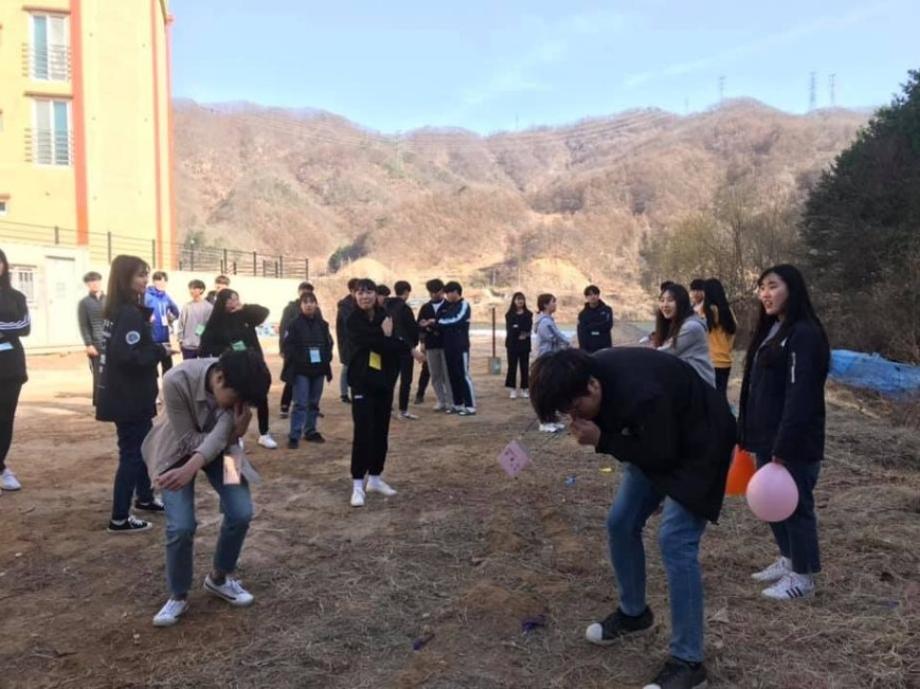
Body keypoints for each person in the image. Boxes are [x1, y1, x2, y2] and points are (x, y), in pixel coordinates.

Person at [530, 348, 736, 689]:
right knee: (621, 522)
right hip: (658, 438)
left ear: (592, 386)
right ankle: (634, 613)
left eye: (576, 408)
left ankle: (689, 662)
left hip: (702, 444)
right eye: (567, 413)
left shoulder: (643, 393)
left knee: (675, 540)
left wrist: (602, 440)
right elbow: (646, 446)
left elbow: (661, 455)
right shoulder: (591, 376)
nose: (574, 418)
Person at [142, 350, 272, 627]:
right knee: (181, 526)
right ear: (220, 378)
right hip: (174, 455)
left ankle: (219, 578)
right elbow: (188, 440)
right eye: (236, 400)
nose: (238, 406)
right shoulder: (176, 379)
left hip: (227, 452)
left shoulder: (236, 386)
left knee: (241, 511)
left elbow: (226, 435)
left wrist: (233, 433)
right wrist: (223, 437)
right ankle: (178, 594)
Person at [738, 265, 830, 602]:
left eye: (773, 286)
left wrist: (785, 444)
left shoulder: (804, 334)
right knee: (772, 505)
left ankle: (803, 579)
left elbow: (801, 394)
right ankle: (789, 559)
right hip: (767, 436)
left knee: (796, 506)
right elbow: (757, 387)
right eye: (761, 287)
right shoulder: (773, 329)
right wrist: (746, 431)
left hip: (793, 441)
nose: (765, 294)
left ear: (792, 289)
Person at [96, 255, 172, 532]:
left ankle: (145, 497)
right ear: (124, 278)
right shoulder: (128, 313)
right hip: (129, 397)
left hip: (126, 394)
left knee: (142, 447)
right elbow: (128, 356)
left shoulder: (118, 310)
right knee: (132, 454)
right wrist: (159, 350)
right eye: (140, 275)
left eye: (146, 274)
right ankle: (119, 517)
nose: (145, 280)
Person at [346, 279, 424, 507]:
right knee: (363, 433)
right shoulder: (352, 319)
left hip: (383, 383)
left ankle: (375, 478)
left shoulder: (385, 316)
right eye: (360, 293)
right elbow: (369, 342)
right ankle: (357, 484)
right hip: (362, 383)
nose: (365, 296)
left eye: (369, 292)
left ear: (376, 295)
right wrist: (385, 338)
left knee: (381, 432)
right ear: (355, 296)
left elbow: (396, 344)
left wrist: (399, 345)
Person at [199, 290, 277, 450]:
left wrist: (244, 307)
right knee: (235, 401)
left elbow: (264, 312)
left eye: (237, 299)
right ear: (224, 302)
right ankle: (236, 435)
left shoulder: (245, 315)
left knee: (261, 397)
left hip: (254, 363)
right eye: (233, 299)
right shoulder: (216, 321)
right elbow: (206, 346)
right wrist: (228, 349)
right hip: (233, 367)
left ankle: (264, 433)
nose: (236, 302)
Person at [282, 292, 333, 447]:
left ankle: (310, 431)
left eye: (312, 302)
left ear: (316, 304)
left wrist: (326, 357)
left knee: (314, 403)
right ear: (301, 305)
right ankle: (294, 435)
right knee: (300, 403)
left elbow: (329, 343)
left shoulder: (323, 324)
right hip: (301, 370)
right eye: (305, 302)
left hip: (319, 369)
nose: (309, 305)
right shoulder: (294, 324)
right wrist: (299, 358)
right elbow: (287, 346)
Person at [0, 248, 29, 494]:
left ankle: (0, 468)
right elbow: (15, 326)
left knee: (5, 418)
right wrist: (7, 328)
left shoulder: (16, 296)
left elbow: (24, 326)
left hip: (10, 366)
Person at [653, 284, 715, 389]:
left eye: (670, 300)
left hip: (700, 388)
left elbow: (664, 353)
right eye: (662, 300)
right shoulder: (673, 324)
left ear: (681, 302)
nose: (665, 305)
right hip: (686, 384)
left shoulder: (691, 327)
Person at [279, 282, 320, 418]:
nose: (308, 304)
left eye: (309, 291)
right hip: (294, 351)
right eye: (304, 291)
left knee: (311, 380)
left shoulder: (316, 310)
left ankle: (310, 407)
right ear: (299, 292)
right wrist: (283, 348)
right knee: (291, 378)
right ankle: (285, 405)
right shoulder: (290, 308)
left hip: (312, 352)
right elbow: (283, 329)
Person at [437, 281, 476, 416]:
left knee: (463, 375)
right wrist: (439, 322)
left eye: (448, 293)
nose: (446, 296)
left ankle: (470, 406)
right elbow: (440, 318)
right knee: (453, 375)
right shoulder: (449, 306)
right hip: (448, 346)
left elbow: (456, 319)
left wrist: (439, 322)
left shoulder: (464, 305)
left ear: (455, 292)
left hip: (460, 346)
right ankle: (457, 404)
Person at [385, 281, 420, 420]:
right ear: (406, 292)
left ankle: (387, 407)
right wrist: (413, 345)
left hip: (390, 348)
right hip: (405, 349)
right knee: (406, 380)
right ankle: (403, 410)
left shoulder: (387, 306)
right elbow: (410, 329)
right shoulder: (404, 308)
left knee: (390, 380)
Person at [417, 278, 453, 412]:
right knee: (435, 374)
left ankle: (451, 400)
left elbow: (450, 324)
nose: (433, 294)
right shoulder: (425, 307)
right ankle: (441, 400)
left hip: (446, 344)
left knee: (447, 374)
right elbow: (420, 325)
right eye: (430, 292)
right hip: (431, 345)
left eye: (436, 291)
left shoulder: (449, 306)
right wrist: (422, 342)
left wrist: (433, 324)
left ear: (442, 291)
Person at [702, 278, 737, 397]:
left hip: (710, 361)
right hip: (725, 360)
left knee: (709, 397)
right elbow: (733, 331)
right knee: (721, 395)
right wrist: (727, 349)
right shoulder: (728, 310)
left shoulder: (706, 311)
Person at [77, 271, 106, 405]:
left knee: (113, 374)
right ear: (87, 284)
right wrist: (88, 344)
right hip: (96, 343)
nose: (95, 284)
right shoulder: (84, 303)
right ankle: (99, 404)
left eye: (97, 281)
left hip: (111, 342)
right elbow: (83, 325)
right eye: (91, 282)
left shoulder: (110, 299)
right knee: (98, 375)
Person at [145, 271, 180, 376]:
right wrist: (147, 318)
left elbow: (176, 312)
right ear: (153, 281)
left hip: (165, 338)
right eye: (158, 281)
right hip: (152, 339)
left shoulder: (166, 296)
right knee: (151, 369)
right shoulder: (147, 296)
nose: (161, 284)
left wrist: (171, 318)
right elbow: (138, 312)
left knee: (168, 369)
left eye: (164, 281)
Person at [504, 292, 532, 399]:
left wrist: (519, 329)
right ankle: (512, 389)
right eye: (518, 299)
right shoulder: (509, 315)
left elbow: (528, 328)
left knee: (524, 367)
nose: (520, 301)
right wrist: (519, 330)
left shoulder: (528, 314)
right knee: (512, 367)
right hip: (512, 344)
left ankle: (525, 388)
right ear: (514, 301)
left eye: (522, 299)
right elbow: (510, 330)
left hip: (525, 344)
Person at [176, 279, 213, 361]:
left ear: (201, 290)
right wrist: (180, 340)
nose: (191, 291)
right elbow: (181, 323)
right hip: (187, 345)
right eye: (190, 288)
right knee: (188, 367)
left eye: (194, 288)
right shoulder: (187, 306)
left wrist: (200, 336)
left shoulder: (208, 307)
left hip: (202, 345)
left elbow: (208, 325)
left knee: (203, 367)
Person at [335, 278, 359, 404]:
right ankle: (344, 394)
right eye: (358, 291)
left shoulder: (357, 303)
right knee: (347, 367)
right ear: (351, 291)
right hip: (347, 342)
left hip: (357, 342)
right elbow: (348, 324)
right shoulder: (345, 306)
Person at [577, 285, 614, 353]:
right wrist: (582, 350)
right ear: (586, 297)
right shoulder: (582, 314)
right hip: (588, 349)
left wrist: (590, 326)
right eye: (590, 295)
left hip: (604, 348)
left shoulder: (607, 310)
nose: (593, 296)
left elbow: (608, 325)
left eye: (595, 294)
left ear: (598, 295)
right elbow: (581, 331)